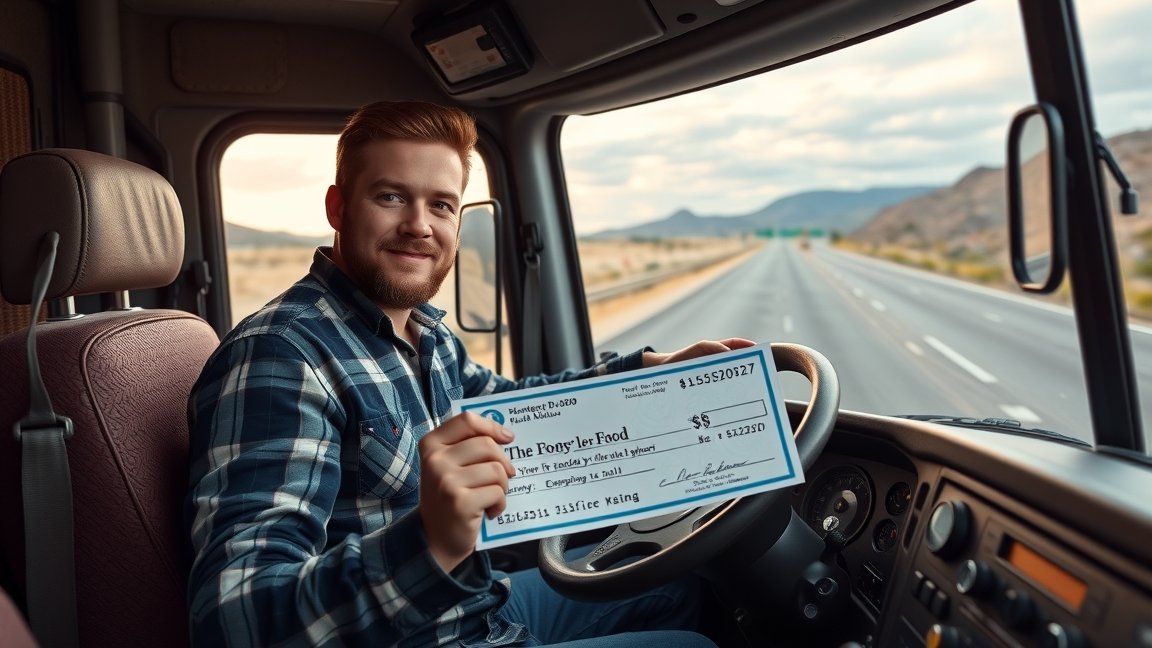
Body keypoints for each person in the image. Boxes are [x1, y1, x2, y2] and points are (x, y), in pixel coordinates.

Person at [185, 100, 755, 647]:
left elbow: (510, 406)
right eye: (390, 197)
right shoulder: (281, 356)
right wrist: (431, 540)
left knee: (670, 584)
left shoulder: (424, 333)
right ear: (338, 207)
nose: (419, 226)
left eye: (441, 205)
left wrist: (646, 374)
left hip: (472, 606)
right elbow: (236, 622)